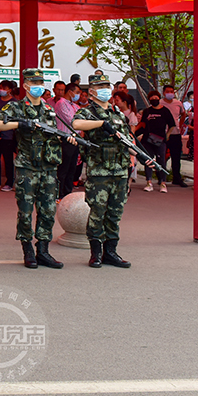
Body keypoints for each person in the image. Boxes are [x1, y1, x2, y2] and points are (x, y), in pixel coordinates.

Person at [0, 69, 73, 269]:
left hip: (48, 167)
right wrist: (20, 124)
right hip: (27, 166)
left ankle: (43, 250)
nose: (38, 86)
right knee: (26, 210)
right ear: (26, 86)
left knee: (47, 209)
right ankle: (28, 250)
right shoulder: (17, 107)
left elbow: (58, 130)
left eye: (41, 82)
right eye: (34, 82)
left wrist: (68, 137)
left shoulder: (49, 108)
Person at [72, 74, 134, 269]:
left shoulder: (119, 115)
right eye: (101, 86)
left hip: (120, 171)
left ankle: (111, 251)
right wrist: (100, 124)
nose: (105, 89)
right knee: (98, 212)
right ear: (91, 91)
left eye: (107, 86)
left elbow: (128, 141)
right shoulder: (88, 112)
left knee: (115, 213)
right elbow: (76, 124)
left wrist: (140, 157)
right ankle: (96, 253)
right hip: (99, 171)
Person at [134, 91, 174, 193]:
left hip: (161, 140)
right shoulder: (147, 111)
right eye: (151, 97)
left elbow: (172, 125)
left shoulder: (165, 111)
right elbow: (143, 124)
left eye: (155, 97)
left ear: (159, 98)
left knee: (161, 162)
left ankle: (163, 183)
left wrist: (167, 135)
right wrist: (134, 131)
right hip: (148, 140)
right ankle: (149, 182)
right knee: (148, 161)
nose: (154, 99)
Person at [55, 82, 83, 198]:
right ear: (70, 91)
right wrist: (81, 123)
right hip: (65, 139)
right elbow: (73, 121)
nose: (78, 95)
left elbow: (82, 119)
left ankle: (67, 192)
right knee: (63, 168)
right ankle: (60, 193)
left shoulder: (75, 106)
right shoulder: (61, 103)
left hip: (75, 139)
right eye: (76, 93)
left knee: (72, 168)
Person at [161, 85, 187, 188]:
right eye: (168, 91)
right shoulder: (160, 103)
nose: (170, 93)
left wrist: (180, 125)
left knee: (176, 157)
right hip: (163, 133)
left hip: (175, 133)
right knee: (162, 157)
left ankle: (177, 178)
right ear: (163, 93)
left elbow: (183, 114)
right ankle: (161, 177)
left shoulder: (178, 103)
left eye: (172, 91)